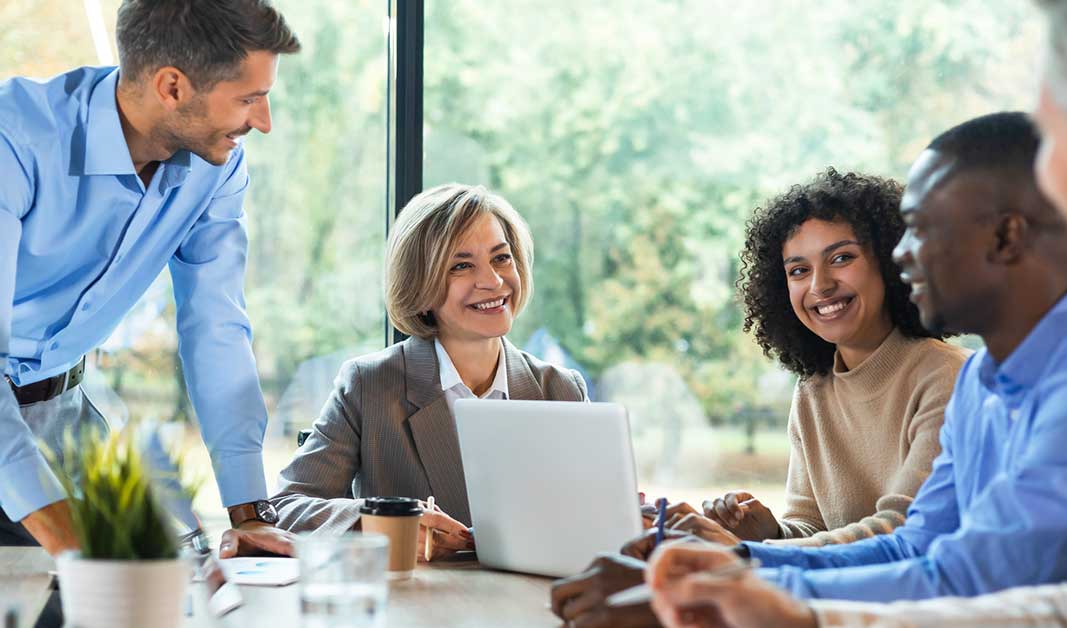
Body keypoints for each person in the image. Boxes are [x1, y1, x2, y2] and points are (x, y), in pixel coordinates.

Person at [647, 1, 1067, 625]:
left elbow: (972, 578)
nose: (901, 256)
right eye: (798, 269)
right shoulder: (985, 382)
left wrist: (760, 592)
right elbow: (922, 546)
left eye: (918, 230)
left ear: (1007, 237)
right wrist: (739, 565)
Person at [0, 0, 300, 557]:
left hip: (65, 418)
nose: (263, 121)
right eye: (249, 99)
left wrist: (249, 511)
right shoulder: (14, 140)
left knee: (158, 586)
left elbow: (216, 326)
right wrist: (52, 524)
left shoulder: (217, 166)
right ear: (172, 87)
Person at [650, 168, 965, 549]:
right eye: (799, 270)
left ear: (890, 261)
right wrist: (769, 533)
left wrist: (749, 553)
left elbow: (903, 530)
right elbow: (810, 525)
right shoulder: (813, 390)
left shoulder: (950, 378)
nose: (820, 285)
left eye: (841, 258)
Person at [270, 184, 588, 559]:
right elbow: (285, 508)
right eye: (462, 266)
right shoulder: (369, 385)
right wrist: (384, 521)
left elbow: (587, 522)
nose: (493, 281)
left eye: (501, 258)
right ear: (420, 284)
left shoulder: (560, 390)